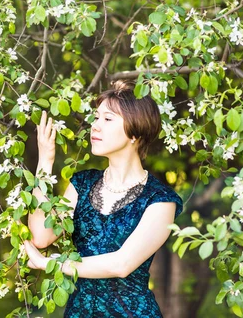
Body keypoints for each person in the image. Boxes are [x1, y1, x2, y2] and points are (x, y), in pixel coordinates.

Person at [23, 80, 183, 317]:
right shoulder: (83, 184)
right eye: (96, 118)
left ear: (135, 133)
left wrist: (51, 263)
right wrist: (45, 162)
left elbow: (121, 264)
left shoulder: (160, 200)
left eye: (107, 119)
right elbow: (41, 236)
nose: (95, 126)